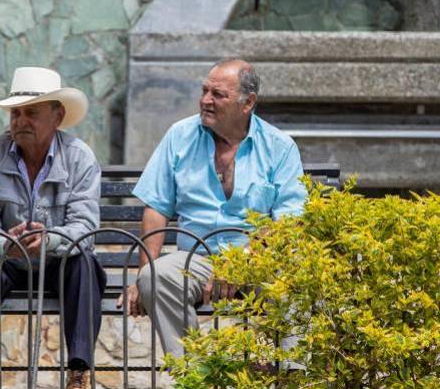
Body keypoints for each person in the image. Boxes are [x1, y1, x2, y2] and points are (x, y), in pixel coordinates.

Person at [117, 59, 307, 357]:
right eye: (205, 91)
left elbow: (289, 221)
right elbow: (155, 209)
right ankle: (195, 383)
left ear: (248, 103)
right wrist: (143, 274)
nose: (205, 100)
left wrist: (239, 263)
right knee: (155, 276)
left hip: (256, 261)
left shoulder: (279, 147)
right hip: (195, 260)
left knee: (297, 281)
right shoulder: (179, 136)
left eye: (218, 95)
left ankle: (294, 387)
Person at [0, 66, 106, 389]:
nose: (20, 121)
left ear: (57, 116)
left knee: (86, 263)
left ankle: (79, 371)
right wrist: (3, 243)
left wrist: (49, 240)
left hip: (58, 264)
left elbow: (85, 226)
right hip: (7, 262)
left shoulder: (80, 158)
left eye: (31, 113)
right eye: (15, 113)